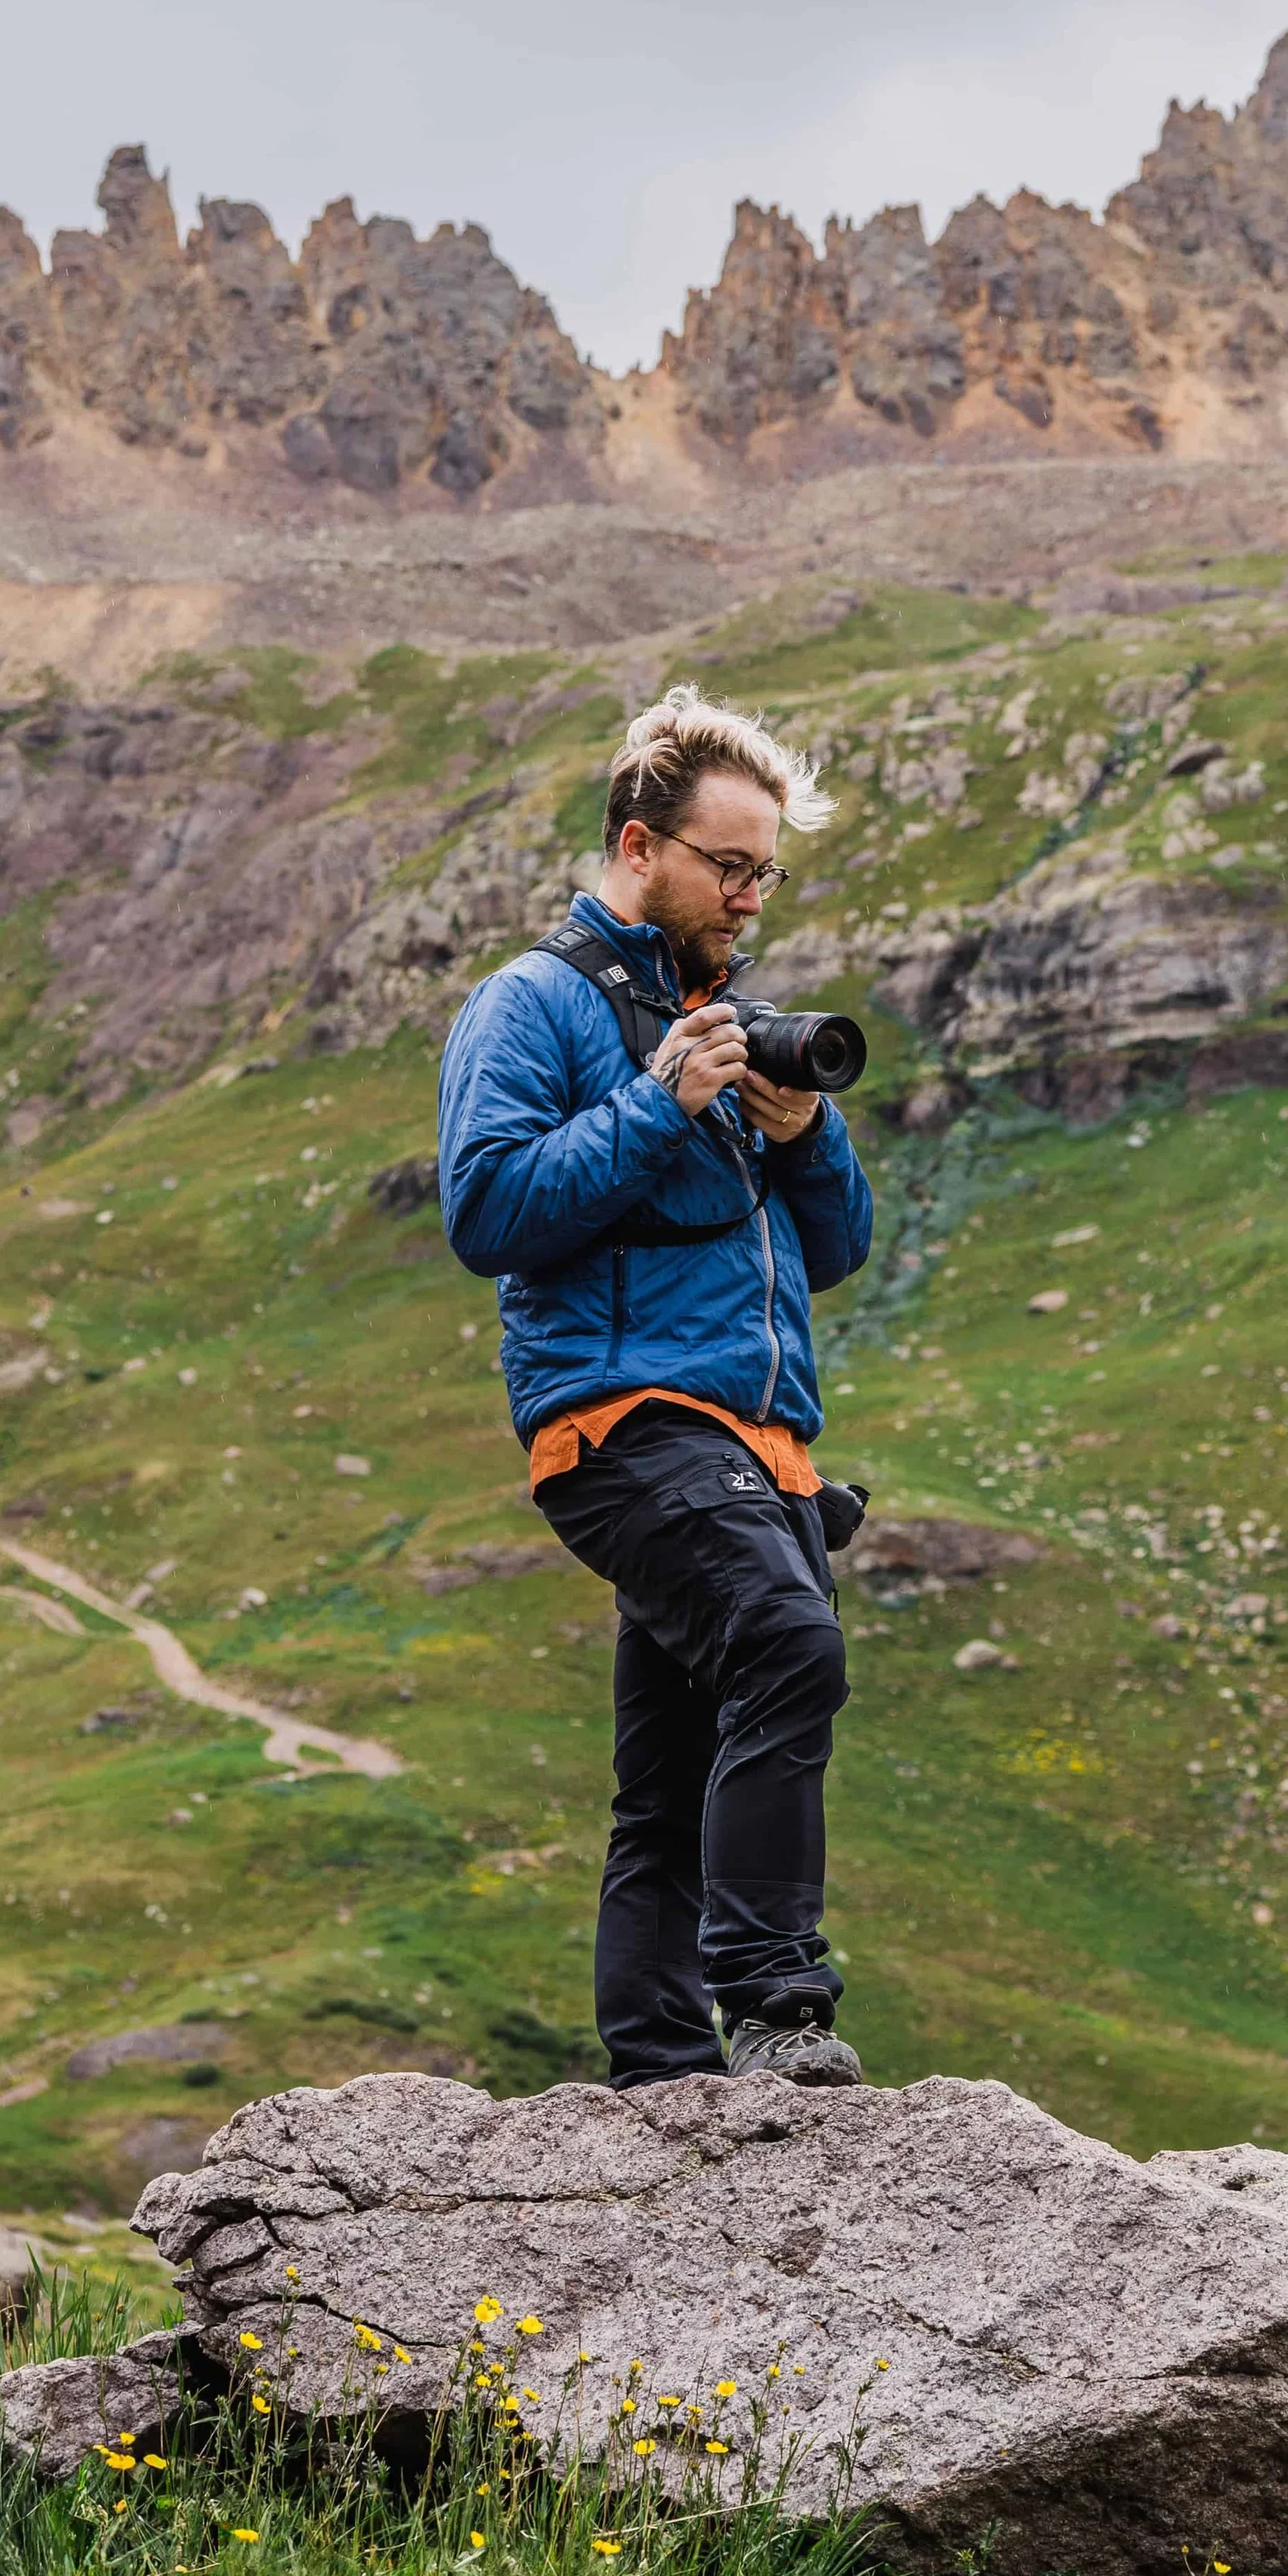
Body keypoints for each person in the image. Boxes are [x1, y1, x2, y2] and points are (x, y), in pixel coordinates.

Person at [438, 683, 874, 2092]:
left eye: (767, 874)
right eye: (729, 867)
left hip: (760, 1442)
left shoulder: (727, 1022)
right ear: (640, 848)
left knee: (669, 1786)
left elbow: (840, 1249)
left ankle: (663, 2085)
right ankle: (778, 2010)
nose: (752, 898)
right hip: (623, 1422)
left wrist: (800, 1128)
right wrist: (655, 1106)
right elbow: (488, 1211)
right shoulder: (534, 1005)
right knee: (788, 1648)